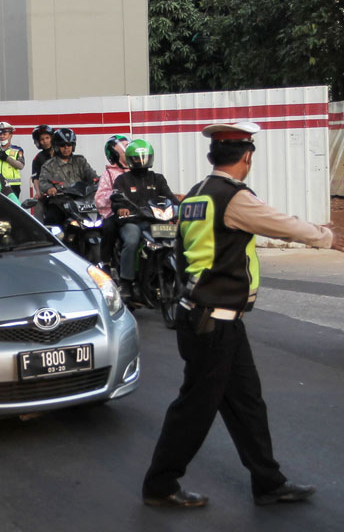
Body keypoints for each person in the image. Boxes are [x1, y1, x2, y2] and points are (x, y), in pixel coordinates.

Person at [142, 122, 344, 509]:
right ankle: (160, 484)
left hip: (210, 317)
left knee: (247, 402)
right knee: (195, 409)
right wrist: (327, 236)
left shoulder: (198, 195)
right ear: (247, 157)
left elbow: (183, 253)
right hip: (212, 322)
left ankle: (268, 483)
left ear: (211, 156)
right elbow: (279, 223)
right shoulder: (233, 197)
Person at [110, 139, 178, 299]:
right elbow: (116, 199)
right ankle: (126, 282)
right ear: (129, 160)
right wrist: (121, 208)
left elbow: (171, 198)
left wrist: (179, 209)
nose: (141, 162)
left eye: (144, 157)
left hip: (155, 222)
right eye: (137, 158)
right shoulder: (123, 180)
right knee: (132, 241)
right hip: (133, 222)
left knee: (177, 240)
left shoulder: (158, 179)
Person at [38, 128, 98, 224]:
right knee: (51, 219)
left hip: (83, 201)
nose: (66, 148)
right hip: (60, 202)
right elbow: (43, 182)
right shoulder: (48, 165)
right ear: (56, 146)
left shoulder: (80, 161)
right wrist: (50, 188)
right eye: (62, 145)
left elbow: (92, 175)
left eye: (69, 144)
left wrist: (99, 181)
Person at [95, 134, 130, 273]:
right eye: (124, 148)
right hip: (114, 213)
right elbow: (99, 199)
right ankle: (106, 262)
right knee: (109, 228)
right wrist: (115, 196)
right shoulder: (108, 174)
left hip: (138, 213)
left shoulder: (138, 170)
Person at [0, 122, 25, 197]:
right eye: (0, 134)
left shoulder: (17, 150)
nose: (2, 136)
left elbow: (21, 165)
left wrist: (7, 158)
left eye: (5, 134)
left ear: (11, 135)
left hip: (13, 185)